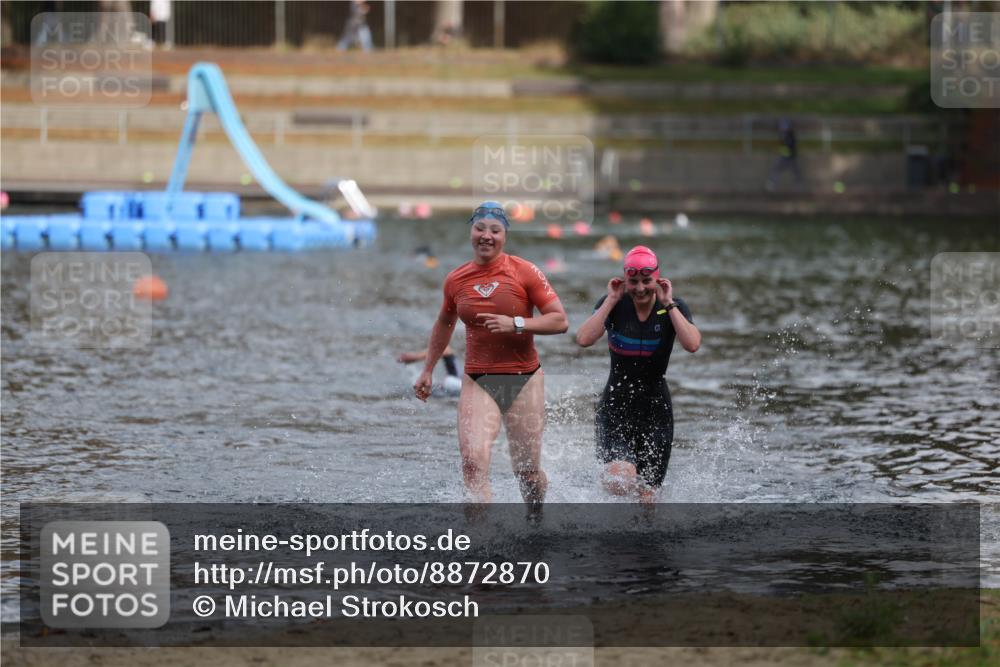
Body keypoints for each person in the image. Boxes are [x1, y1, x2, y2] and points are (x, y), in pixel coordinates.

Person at [414, 202, 569, 505]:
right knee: (472, 462)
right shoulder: (456, 279)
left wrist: (517, 324)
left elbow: (560, 321)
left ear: (504, 236)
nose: (487, 236)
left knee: (527, 474)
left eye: (495, 230)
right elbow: (444, 323)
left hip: (524, 380)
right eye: (480, 229)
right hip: (477, 379)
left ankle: (536, 521)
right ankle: (480, 543)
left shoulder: (524, 271)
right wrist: (428, 369)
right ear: (471, 232)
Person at [576, 245, 701, 504]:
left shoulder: (672, 308)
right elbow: (584, 339)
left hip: (656, 413)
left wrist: (669, 304)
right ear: (624, 279)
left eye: (647, 281)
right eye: (633, 281)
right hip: (615, 409)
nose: (641, 288)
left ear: (658, 279)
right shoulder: (613, 304)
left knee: (647, 501)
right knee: (621, 479)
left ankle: (638, 542)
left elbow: (692, 344)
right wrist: (610, 299)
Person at [765, 117, 801, 191]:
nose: (782, 129)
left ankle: (799, 186)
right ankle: (771, 184)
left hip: (790, 157)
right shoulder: (784, 135)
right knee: (776, 169)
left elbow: (791, 147)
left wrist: (787, 151)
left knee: (795, 172)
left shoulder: (789, 135)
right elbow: (783, 146)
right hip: (785, 157)